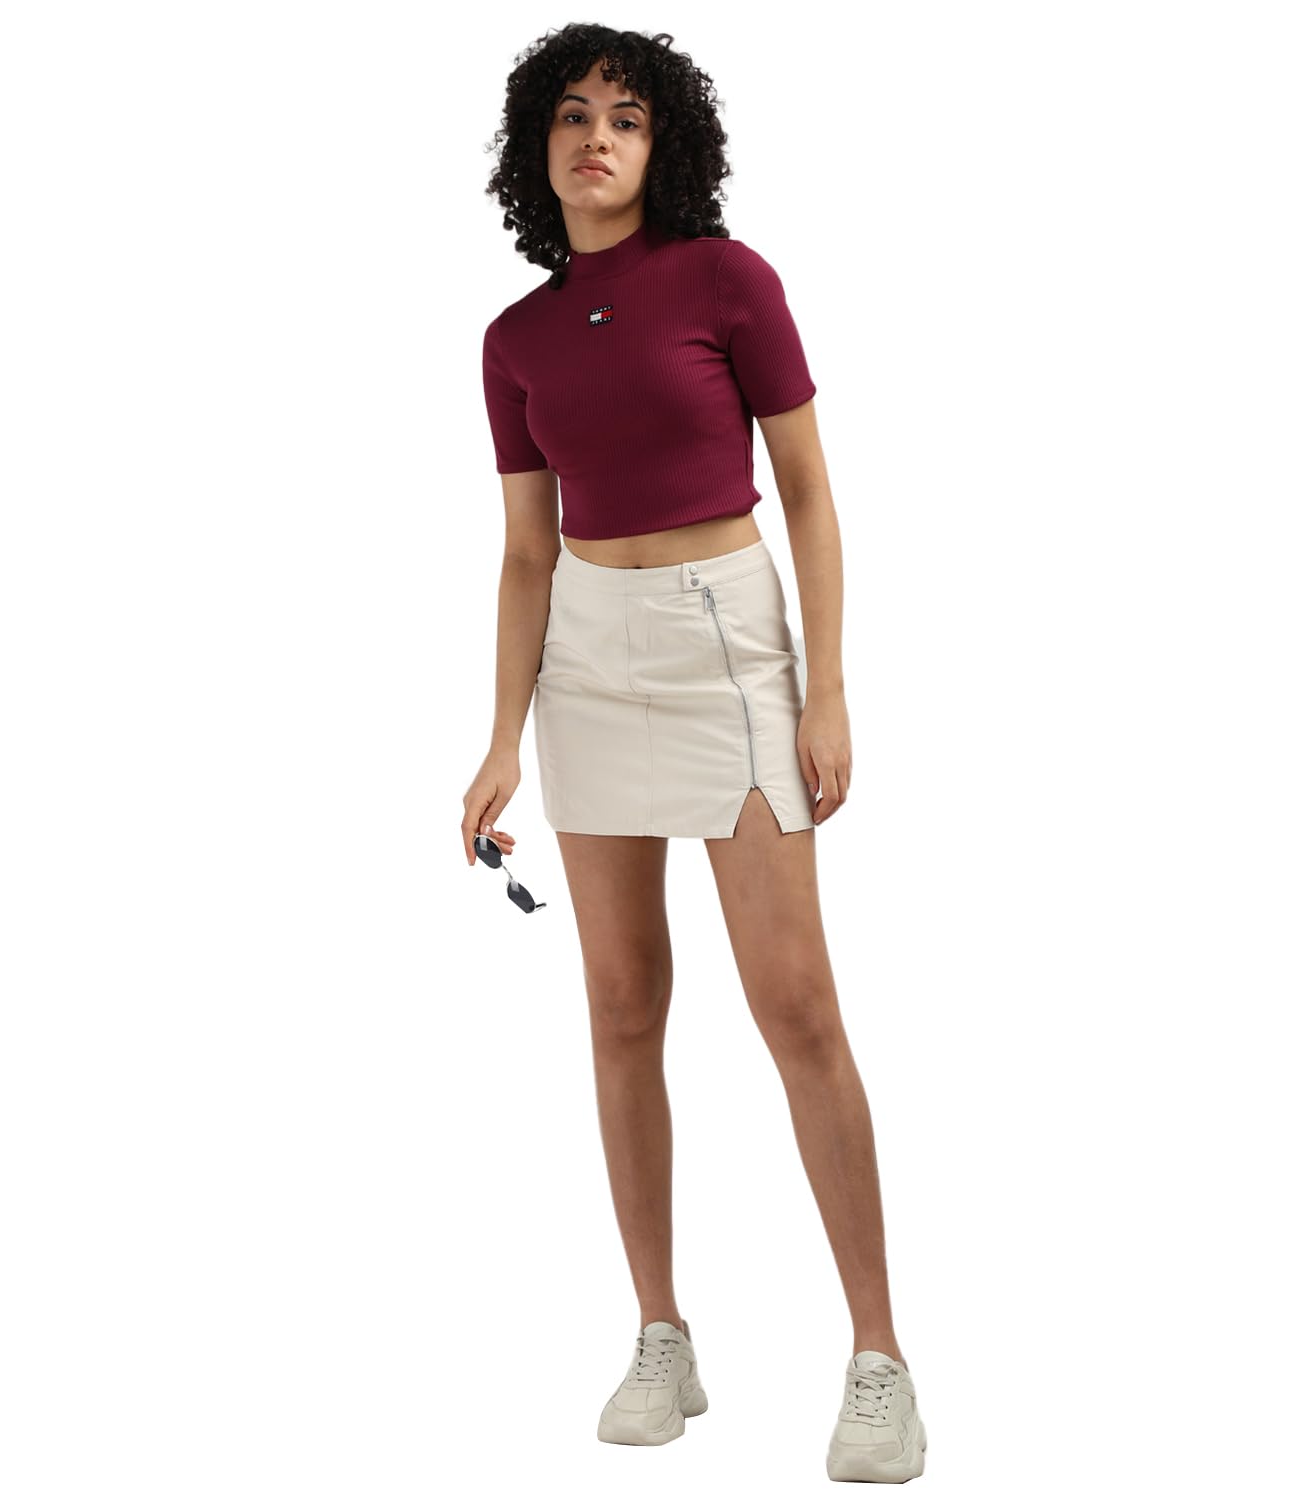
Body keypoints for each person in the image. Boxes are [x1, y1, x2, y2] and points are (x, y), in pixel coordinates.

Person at [463, 26, 926, 1484]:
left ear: (666, 147)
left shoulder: (728, 281)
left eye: (626, 117)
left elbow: (809, 490)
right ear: (538, 149)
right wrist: (498, 740)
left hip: (728, 639)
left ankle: (878, 1356)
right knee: (621, 1005)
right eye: (571, 117)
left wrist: (825, 690)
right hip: (584, 659)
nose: (596, 138)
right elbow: (526, 550)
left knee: (795, 1004)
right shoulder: (516, 339)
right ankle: (661, 1333)